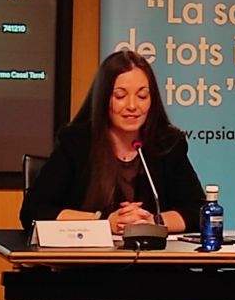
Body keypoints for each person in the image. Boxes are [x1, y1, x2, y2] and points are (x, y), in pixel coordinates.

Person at [19, 50, 204, 233]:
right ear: (103, 98)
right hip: (88, 252)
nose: (132, 106)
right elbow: (33, 211)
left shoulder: (167, 144)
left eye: (142, 96)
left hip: (152, 251)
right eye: (120, 96)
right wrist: (103, 222)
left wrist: (153, 221)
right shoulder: (76, 143)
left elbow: (199, 211)